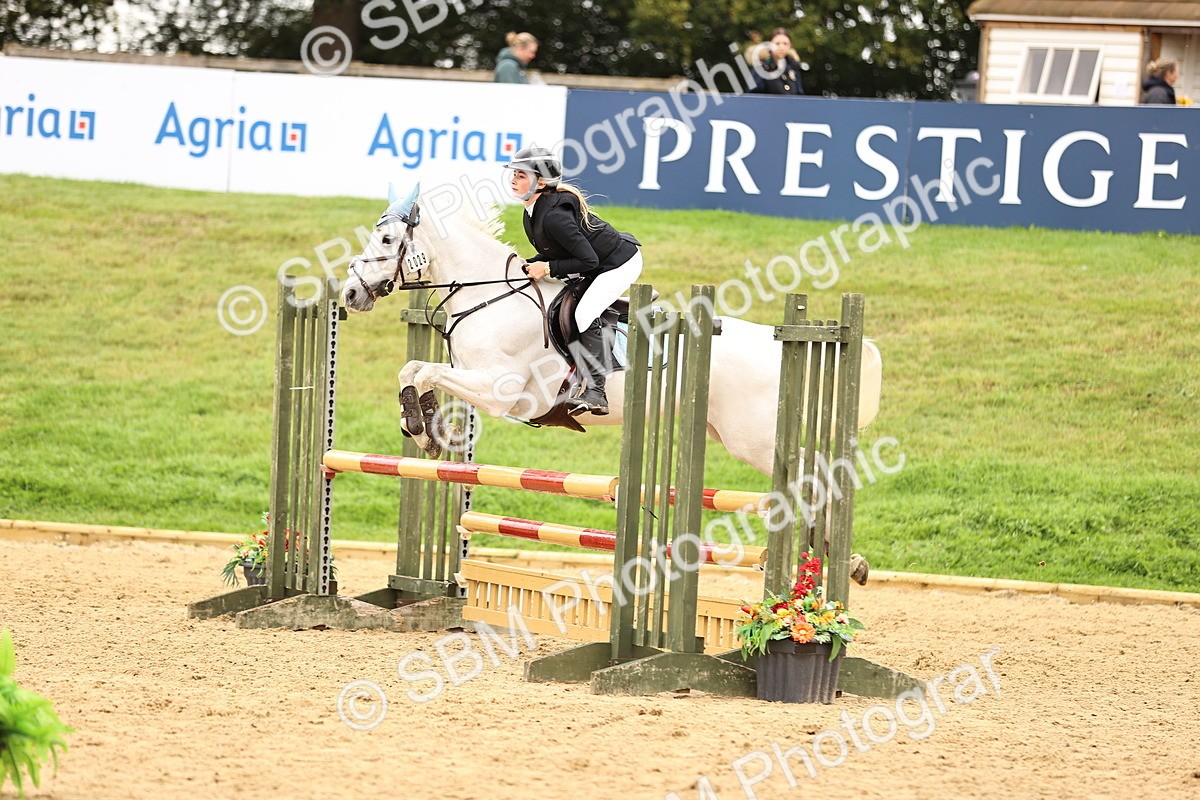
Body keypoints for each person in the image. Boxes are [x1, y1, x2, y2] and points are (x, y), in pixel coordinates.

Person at [505, 146, 642, 416]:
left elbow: (588, 261)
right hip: (595, 262)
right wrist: (532, 262)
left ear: (540, 182)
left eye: (521, 175)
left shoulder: (554, 216)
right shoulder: (532, 209)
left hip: (618, 264)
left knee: (584, 314)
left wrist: (548, 268)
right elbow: (553, 250)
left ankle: (596, 391)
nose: (513, 180)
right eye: (514, 174)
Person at [748, 28, 804, 96]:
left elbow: (799, 94)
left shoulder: (793, 67)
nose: (781, 47)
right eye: (777, 44)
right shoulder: (761, 68)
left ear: (790, 46)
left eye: (785, 44)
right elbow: (752, 95)